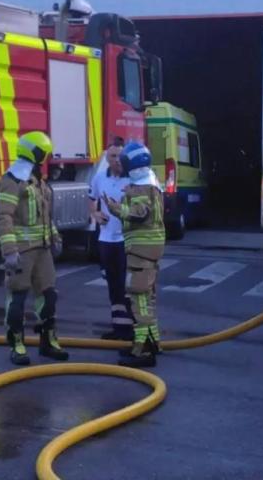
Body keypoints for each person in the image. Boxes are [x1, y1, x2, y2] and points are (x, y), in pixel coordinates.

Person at [0, 131, 69, 366]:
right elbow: (4, 217)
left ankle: (49, 341)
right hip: (22, 252)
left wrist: (55, 237)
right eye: (43, 153)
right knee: (17, 297)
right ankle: (17, 344)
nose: (46, 157)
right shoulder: (12, 180)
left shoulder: (37, 180)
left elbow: (45, 215)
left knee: (48, 295)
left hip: (43, 250)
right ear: (35, 153)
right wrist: (10, 252)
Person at [105, 141, 165, 368]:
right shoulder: (152, 184)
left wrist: (115, 209)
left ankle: (141, 350)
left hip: (140, 251)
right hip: (150, 250)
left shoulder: (141, 188)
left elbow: (139, 214)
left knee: (138, 298)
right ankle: (153, 341)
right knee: (148, 297)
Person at [89, 143, 133, 340]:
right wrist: (96, 214)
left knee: (129, 287)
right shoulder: (100, 178)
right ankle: (119, 328)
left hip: (126, 240)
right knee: (113, 286)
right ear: (107, 158)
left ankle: (134, 329)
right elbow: (92, 200)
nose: (117, 160)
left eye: (120, 156)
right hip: (106, 240)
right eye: (113, 156)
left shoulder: (133, 179)